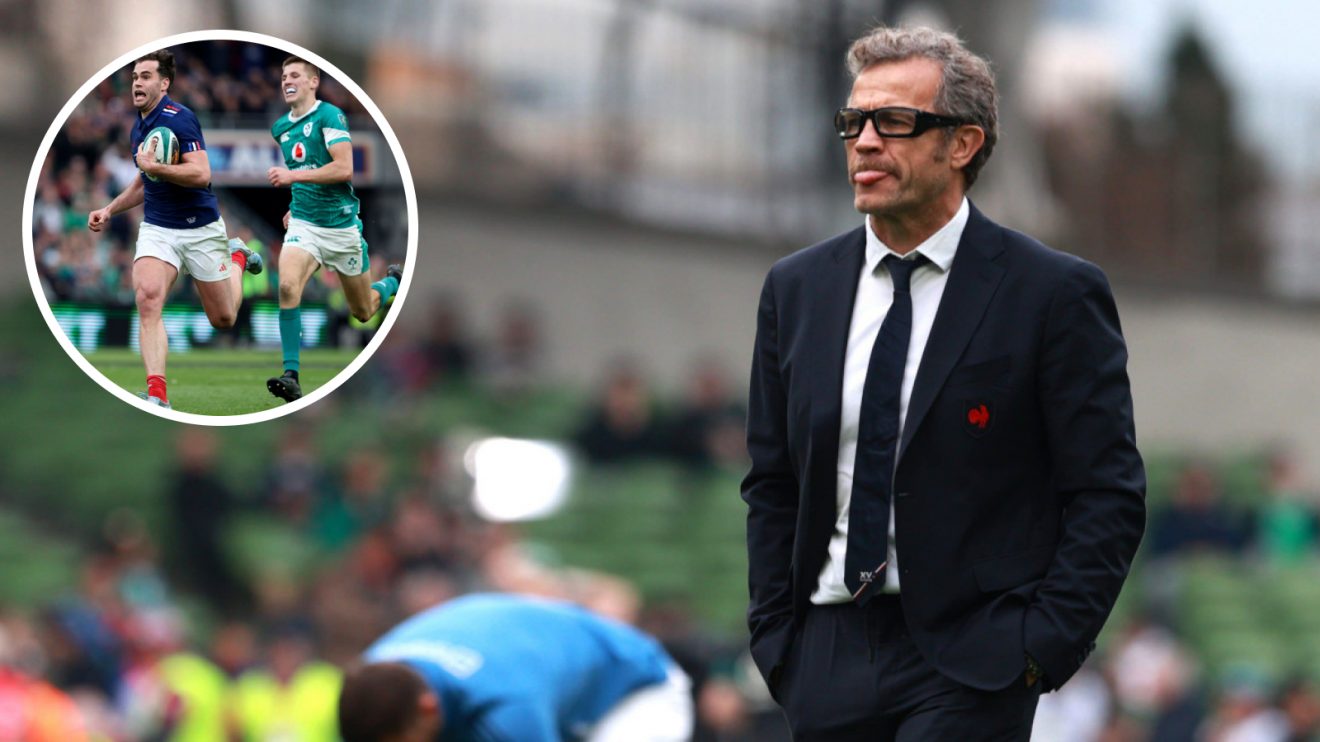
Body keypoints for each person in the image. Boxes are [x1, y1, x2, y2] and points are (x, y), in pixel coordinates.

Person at [741, 26, 1145, 740]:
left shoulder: (1052, 292)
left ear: (962, 144)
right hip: (826, 656)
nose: (865, 141)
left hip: (975, 657)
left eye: (894, 122)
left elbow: (1105, 491)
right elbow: (773, 483)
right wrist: (779, 643)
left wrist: (1040, 647)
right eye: (853, 122)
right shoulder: (795, 289)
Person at [88, 49, 262, 409]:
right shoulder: (140, 124)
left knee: (224, 319)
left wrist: (159, 167)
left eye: (146, 76)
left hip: (201, 229)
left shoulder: (181, 119)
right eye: (135, 76)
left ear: (164, 83)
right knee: (148, 298)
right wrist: (109, 209)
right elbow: (144, 181)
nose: (137, 82)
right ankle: (158, 394)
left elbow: (201, 174)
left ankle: (237, 257)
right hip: (158, 228)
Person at [338, 593, 694, 742]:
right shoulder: (373, 674)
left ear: (427, 709)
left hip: (635, 691)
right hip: (547, 682)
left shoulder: (507, 708)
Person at [265, 55, 402, 403]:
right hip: (304, 225)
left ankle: (391, 283)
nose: (287, 80)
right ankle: (291, 375)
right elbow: (304, 167)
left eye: (295, 74)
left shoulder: (330, 116)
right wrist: (295, 205)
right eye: (283, 76)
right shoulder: (280, 127)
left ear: (313, 82)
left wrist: (293, 177)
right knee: (286, 285)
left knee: (363, 310)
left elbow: (343, 168)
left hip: (341, 228)